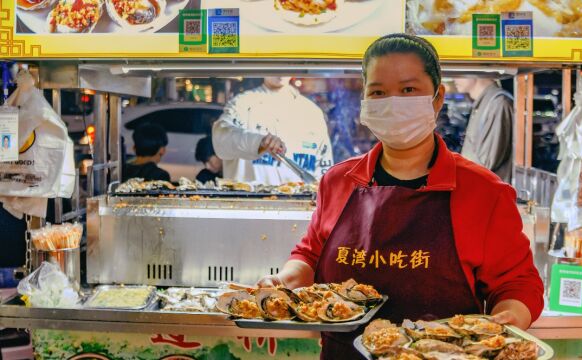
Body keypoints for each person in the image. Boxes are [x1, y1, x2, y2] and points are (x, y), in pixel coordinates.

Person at [257, 34, 543, 359]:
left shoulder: (483, 191)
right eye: (378, 92)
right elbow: (310, 254)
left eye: (408, 90)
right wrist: (286, 279)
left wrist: (507, 318)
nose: (392, 102)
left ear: (437, 98)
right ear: (364, 100)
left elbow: (518, 283)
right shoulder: (338, 182)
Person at [212, 77, 334, 185]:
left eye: (287, 62)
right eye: (275, 61)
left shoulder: (311, 112)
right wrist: (259, 142)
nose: (280, 70)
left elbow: (324, 170)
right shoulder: (242, 104)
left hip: (300, 207)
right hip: (248, 206)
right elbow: (221, 139)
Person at [455, 77, 514, 183]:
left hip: (488, 193)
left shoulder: (497, 103)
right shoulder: (484, 103)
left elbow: (486, 163)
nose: (454, 78)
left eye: (459, 73)